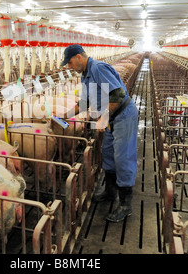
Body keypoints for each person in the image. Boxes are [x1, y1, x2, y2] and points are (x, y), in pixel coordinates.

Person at [58, 44, 138, 222]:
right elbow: (85, 101)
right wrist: (65, 115)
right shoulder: (86, 76)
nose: (70, 67)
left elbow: (117, 94)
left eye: (70, 63)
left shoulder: (98, 68)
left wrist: (103, 118)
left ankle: (125, 204)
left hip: (123, 116)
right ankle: (110, 192)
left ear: (79, 57)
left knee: (123, 157)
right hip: (110, 118)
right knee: (108, 154)